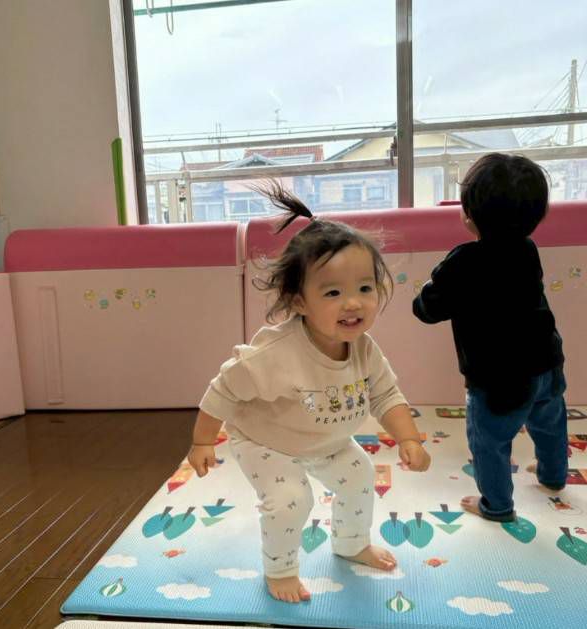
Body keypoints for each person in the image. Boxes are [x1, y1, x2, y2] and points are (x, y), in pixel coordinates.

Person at [188, 182, 430, 603]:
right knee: (290, 499)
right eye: (333, 293)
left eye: (365, 289)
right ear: (300, 302)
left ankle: (351, 543)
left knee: (360, 477)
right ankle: (280, 570)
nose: (353, 303)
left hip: (326, 441)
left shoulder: (364, 349)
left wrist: (409, 438)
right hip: (266, 443)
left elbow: (386, 395)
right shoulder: (275, 354)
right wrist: (202, 442)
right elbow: (222, 390)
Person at [412, 153, 567, 522]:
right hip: (546, 361)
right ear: (538, 215)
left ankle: (496, 506)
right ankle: (553, 476)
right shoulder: (528, 250)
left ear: (468, 215)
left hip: (497, 379)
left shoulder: (462, 262)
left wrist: (429, 289)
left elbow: (426, 310)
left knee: (490, 442)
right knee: (550, 423)